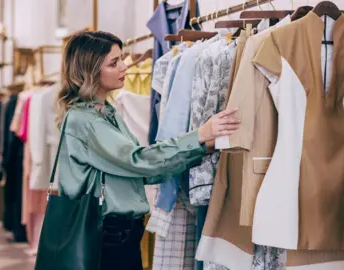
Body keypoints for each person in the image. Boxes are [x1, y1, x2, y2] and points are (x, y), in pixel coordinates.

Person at [56, 31, 240, 270]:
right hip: (106, 233)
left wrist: (200, 147)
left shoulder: (106, 113)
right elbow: (139, 161)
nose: (125, 66)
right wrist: (199, 135)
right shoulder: (86, 120)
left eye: (121, 58)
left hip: (118, 232)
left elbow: (142, 171)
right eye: (114, 63)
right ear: (89, 71)